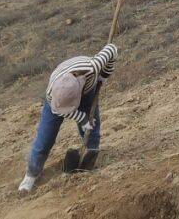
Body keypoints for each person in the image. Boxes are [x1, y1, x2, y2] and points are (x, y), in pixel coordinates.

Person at [18, 43, 118, 194]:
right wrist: (82, 118)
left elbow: (112, 49)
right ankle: (31, 175)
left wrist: (104, 76)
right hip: (56, 102)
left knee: (92, 125)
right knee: (45, 138)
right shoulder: (54, 95)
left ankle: (90, 152)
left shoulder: (92, 66)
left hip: (86, 90)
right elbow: (64, 111)